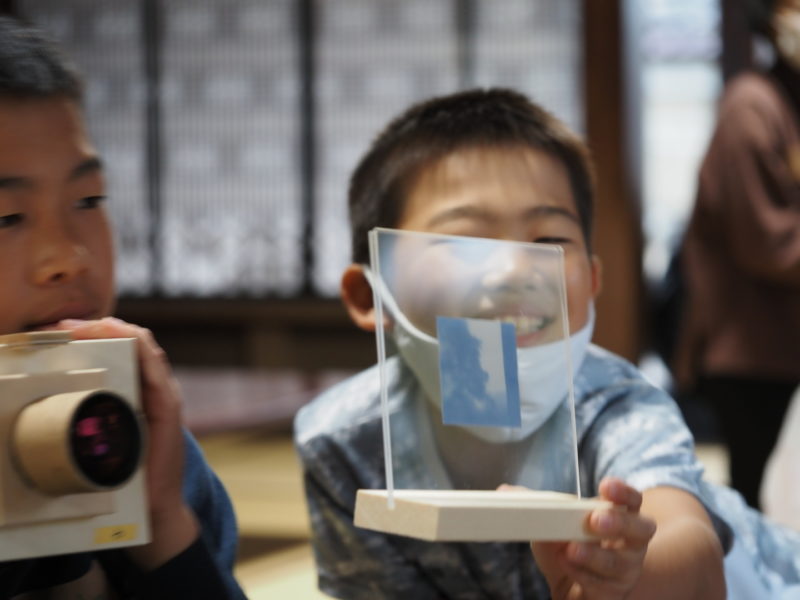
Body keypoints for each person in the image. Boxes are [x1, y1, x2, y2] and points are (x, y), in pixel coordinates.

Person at [295, 87, 800, 599]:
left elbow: (688, 548)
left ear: (594, 280)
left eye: (549, 243)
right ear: (369, 294)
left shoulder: (619, 408)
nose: (516, 269)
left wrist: (626, 576)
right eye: (468, 242)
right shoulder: (341, 441)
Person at [0, 16, 246, 599]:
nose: (68, 257)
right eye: (7, 216)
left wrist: (162, 524)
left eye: (88, 199)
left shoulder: (140, 448)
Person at [673, 0, 800, 510]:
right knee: (761, 510)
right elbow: (768, 244)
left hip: (783, 352)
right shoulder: (752, 104)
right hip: (750, 357)